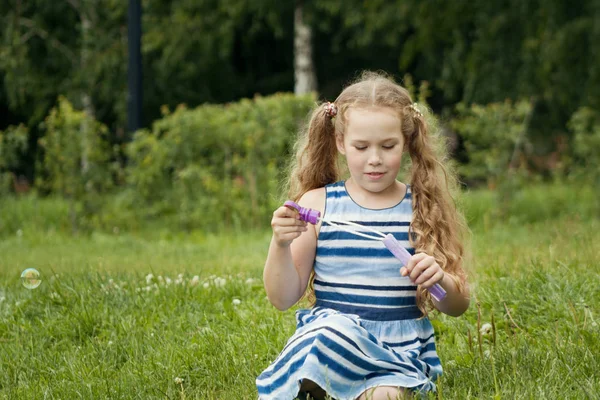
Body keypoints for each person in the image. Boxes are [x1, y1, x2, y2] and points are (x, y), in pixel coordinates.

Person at [256, 71, 470, 400]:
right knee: (330, 331)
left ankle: (335, 385)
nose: (375, 159)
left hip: (392, 351)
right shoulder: (318, 204)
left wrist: (438, 278)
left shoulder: (422, 208)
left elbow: (457, 305)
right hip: (330, 340)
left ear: (407, 142)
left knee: (387, 397)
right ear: (340, 143)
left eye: (388, 146)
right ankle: (318, 382)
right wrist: (280, 244)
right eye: (361, 146)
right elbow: (282, 298)